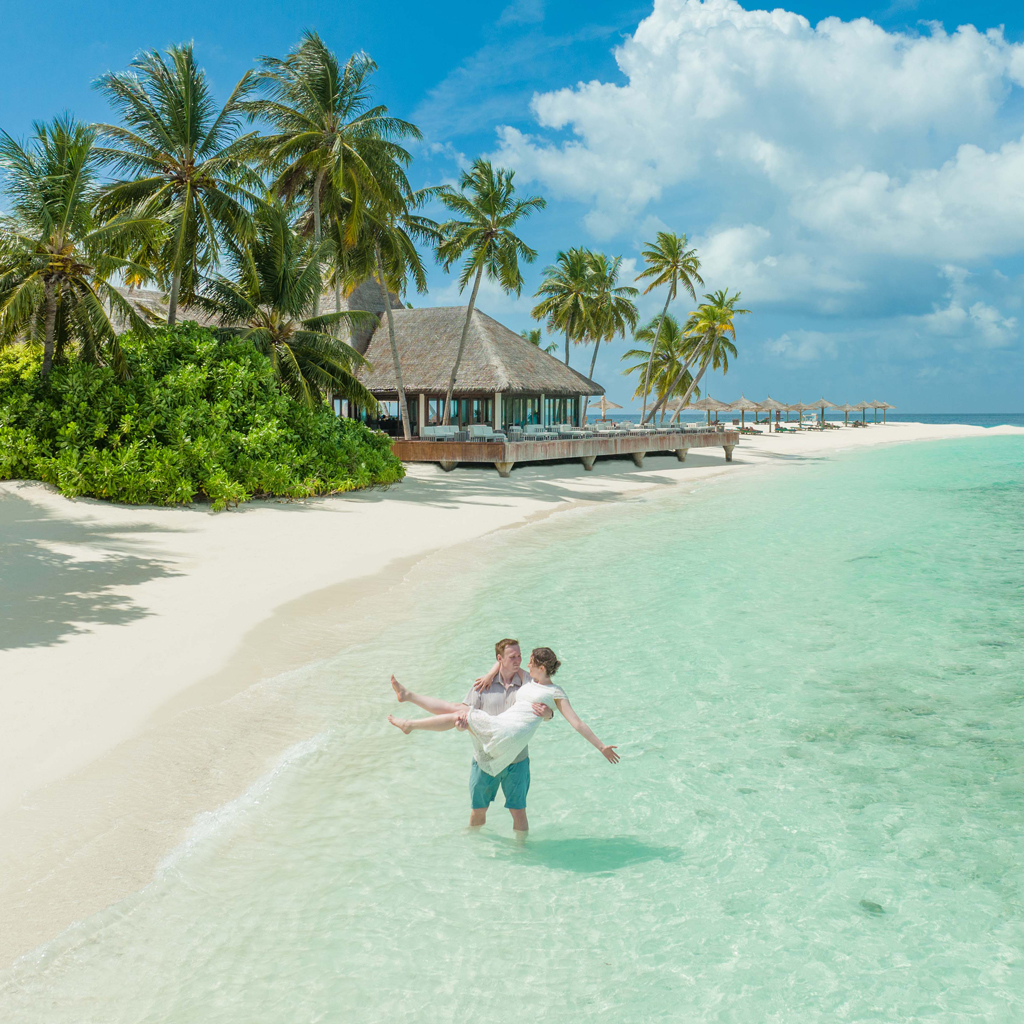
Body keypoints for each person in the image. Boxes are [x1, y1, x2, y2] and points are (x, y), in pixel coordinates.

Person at [388, 646, 619, 826]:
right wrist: (490, 673)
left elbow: (577, 722)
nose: (525, 663)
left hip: (507, 733)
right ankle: (408, 700)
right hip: (506, 729)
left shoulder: (555, 692)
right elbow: (502, 662)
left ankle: (410, 722)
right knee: (457, 711)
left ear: (540, 666)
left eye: (530, 660)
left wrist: (600, 746)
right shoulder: (532, 679)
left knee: (457, 712)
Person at [390, 638, 551, 832]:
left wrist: (548, 714)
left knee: (518, 812)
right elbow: (461, 721)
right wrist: (460, 726)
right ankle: (476, 847)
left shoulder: (527, 683)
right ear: (500, 658)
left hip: (516, 761)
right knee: (478, 810)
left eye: (519, 655)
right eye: (512, 657)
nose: (518, 660)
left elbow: (547, 707)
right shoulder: (483, 685)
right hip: (485, 758)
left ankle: (521, 852)